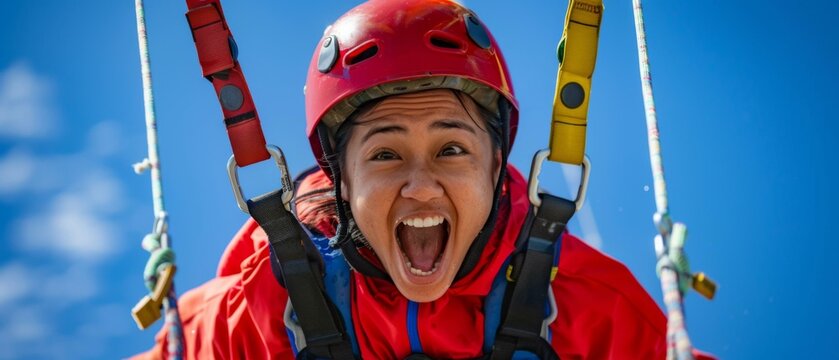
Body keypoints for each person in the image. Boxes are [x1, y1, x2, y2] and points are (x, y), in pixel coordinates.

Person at [136, 0, 713, 359]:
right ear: (339, 181)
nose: (420, 186)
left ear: (497, 168)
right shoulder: (265, 307)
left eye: (452, 149)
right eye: (385, 155)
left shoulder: (584, 308)